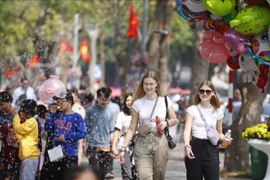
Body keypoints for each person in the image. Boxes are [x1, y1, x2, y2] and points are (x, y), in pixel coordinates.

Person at [119, 71, 177, 180]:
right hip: (142, 142)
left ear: (157, 84)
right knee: (144, 176)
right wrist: (123, 148)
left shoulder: (165, 100)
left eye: (151, 84)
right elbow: (132, 128)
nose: (148, 87)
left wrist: (166, 123)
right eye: (146, 84)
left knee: (158, 177)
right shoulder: (137, 103)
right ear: (142, 84)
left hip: (160, 141)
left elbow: (174, 119)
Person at [183, 80, 233, 180]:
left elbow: (219, 133)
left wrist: (225, 139)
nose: (205, 93)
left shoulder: (218, 111)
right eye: (202, 91)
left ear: (213, 93)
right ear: (198, 92)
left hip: (211, 149)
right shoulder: (192, 110)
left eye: (208, 91)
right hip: (195, 147)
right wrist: (187, 146)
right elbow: (187, 131)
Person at [44, 91, 87, 180]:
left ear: (69, 102)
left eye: (62, 101)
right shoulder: (56, 115)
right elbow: (48, 128)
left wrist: (66, 136)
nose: (59, 103)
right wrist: (50, 114)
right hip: (56, 153)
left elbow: (83, 133)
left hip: (70, 153)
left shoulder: (76, 117)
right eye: (58, 101)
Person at [84, 87, 115, 180]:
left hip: (105, 146)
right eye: (101, 99)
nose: (103, 101)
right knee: (94, 171)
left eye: (106, 99)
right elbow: (86, 128)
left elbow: (111, 130)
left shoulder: (111, 112)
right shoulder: (90, 111)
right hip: (92, 145)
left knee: (102, 173)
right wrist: (84, 144)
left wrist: (112, 146)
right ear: (97, 97)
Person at [111, 93, 138, 180]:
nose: (129, 102)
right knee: (126, 172)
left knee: (137, 173)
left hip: (138, 146)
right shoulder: (121, 115)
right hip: (124, 146)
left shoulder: (139, 114)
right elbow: (117, 130)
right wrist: (113, 146)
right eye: (127, 100)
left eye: (131, 100)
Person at [13, 99, 40, 180]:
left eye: (22, 111)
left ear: (28, 112)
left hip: (30, 156)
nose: (20, 113)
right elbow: (21, 136)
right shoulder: (29, 121)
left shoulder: (31, 121)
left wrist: (16, 118)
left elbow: (19, 129)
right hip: (27, 156)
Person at [0, 91, 20, 180]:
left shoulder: (17, 114)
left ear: (9, 102)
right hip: (2, 147)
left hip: (13, 148)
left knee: (12, 173)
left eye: (2, 104)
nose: (1, 107)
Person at [106, 90, 121, 179]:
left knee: (111, 150)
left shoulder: (115, 106)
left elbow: (118, 119)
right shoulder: (100, 106)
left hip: (113, 131)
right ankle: (104, 170)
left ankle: (110, 170)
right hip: (103, 132)